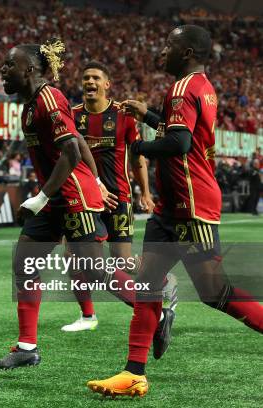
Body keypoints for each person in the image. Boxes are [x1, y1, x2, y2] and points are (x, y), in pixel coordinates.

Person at [87, 25, 263, 398]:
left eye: (169, 45)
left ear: (186, 53)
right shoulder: (202, 86)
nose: (162, 50)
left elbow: (180, 142)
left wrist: (140, 149)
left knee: (215, 290)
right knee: (149, 285)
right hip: (175, 206)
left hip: (190, 206)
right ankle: (134, 372)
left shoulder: (182, 88)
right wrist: (149, 114)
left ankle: (134, 371)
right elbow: (185, 132)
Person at [0, 38, 158, 370]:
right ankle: (26, 347)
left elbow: (69, 151)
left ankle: (157, 308)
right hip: (59, 197)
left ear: (30, 69)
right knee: (25, 262)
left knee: (93, 271)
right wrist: (95, 178)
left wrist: (41, 196)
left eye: (10, 65)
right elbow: (78, 140)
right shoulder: (30, 105)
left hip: (71, 198)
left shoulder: (50, 98)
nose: (3, 71)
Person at [62, 61, 170, 332]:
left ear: (107, 84)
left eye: (96, 78)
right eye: (86, 77)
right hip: (85, 199)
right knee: (72, 256)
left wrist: (145, 193)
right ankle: (87, 316)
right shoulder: (73, 116)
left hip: (119, 198)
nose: (90, 82)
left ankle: (160, 281)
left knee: (122, 261)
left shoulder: (123, 115)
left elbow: (137, 157)